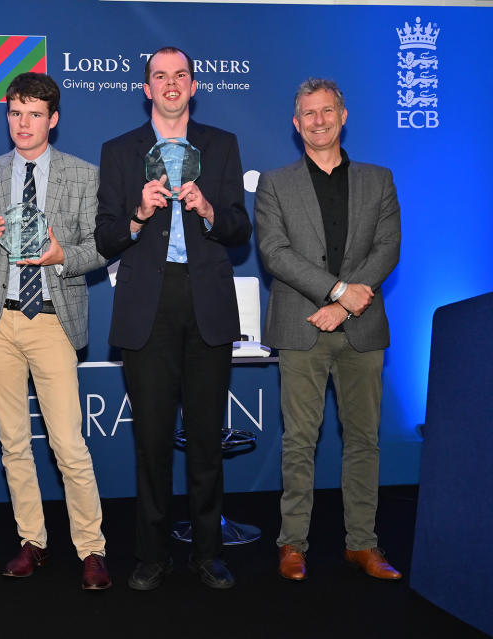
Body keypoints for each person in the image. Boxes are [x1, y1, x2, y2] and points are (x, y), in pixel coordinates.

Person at [94, 47, 252, 591]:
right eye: (159, 76)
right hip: (148, 308)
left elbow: (239, 229)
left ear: (192, 84)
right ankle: (151, 556)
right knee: (153, 442)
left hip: (205, 302)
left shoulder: (221, 145)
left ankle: (207, 554)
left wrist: (209, 210)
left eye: (180, 75)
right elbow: (104, 236)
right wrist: (138, 213)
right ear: (146, 88)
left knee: (207, 440)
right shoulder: (119, 152)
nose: (170, 84)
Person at [0, 72, 111, 590]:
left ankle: (91, 548)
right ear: (7, 116)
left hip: (52, 318)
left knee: (68, 444)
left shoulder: (83, 175)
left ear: (54, 119)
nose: (24, 124)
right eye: (15, 113)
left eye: (35, 114)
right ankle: (33, 542)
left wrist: (61, 255)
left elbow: (102, 248)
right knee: (13, 445)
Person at [255, 78, 402, 582]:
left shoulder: (378, 179)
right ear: (296, 125)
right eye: (308, 114)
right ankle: (292, 544)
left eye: (326, 111)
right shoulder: (274, 183)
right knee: (299, 440)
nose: (318, 120)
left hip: (360, 328)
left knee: (364, 440)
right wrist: (339, 292)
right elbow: (275, 254)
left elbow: (387, 249)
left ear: (343, 116)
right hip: (303, 328)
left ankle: (363, 544)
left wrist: (344, 304)